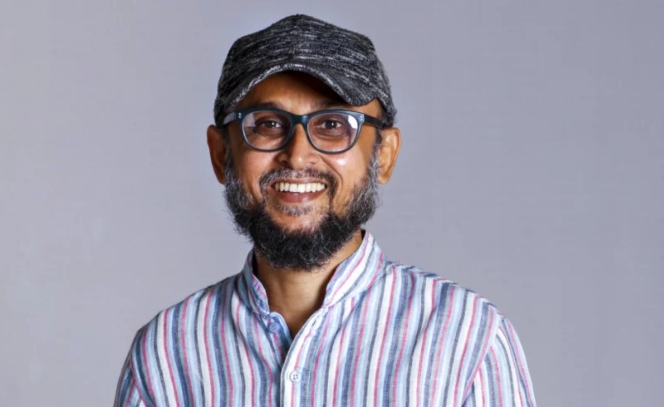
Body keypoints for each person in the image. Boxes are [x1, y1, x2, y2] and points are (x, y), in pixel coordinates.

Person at [114, 14, 536, 407]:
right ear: (221, 154)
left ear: (384, 155)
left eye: (333, 125)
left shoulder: (468, 341)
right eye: (267, 124)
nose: (298, 155)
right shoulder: (165, 353)